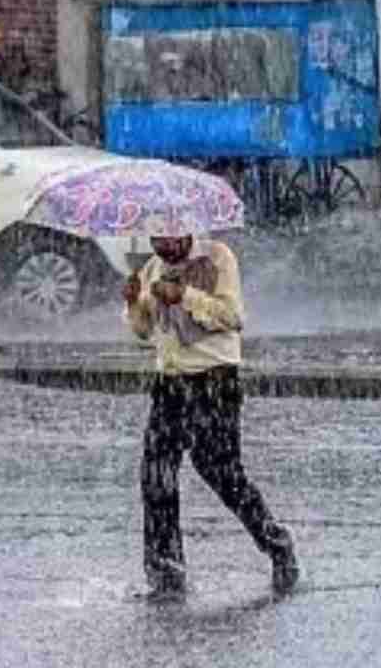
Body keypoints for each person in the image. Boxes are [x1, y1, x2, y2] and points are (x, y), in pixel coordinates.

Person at [122, 234, 300, 599]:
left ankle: (277, 543)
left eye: (169, 239)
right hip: (170, 383)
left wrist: (183, 295)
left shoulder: (218, 258)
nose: (162, 247)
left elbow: (233, 316)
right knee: (156, 477)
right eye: (156, 239)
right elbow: (144, 331)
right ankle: (165, 574)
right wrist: (133, 305)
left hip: (214, 381)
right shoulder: (153, 268)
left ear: (186, 232)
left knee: (222, 474)